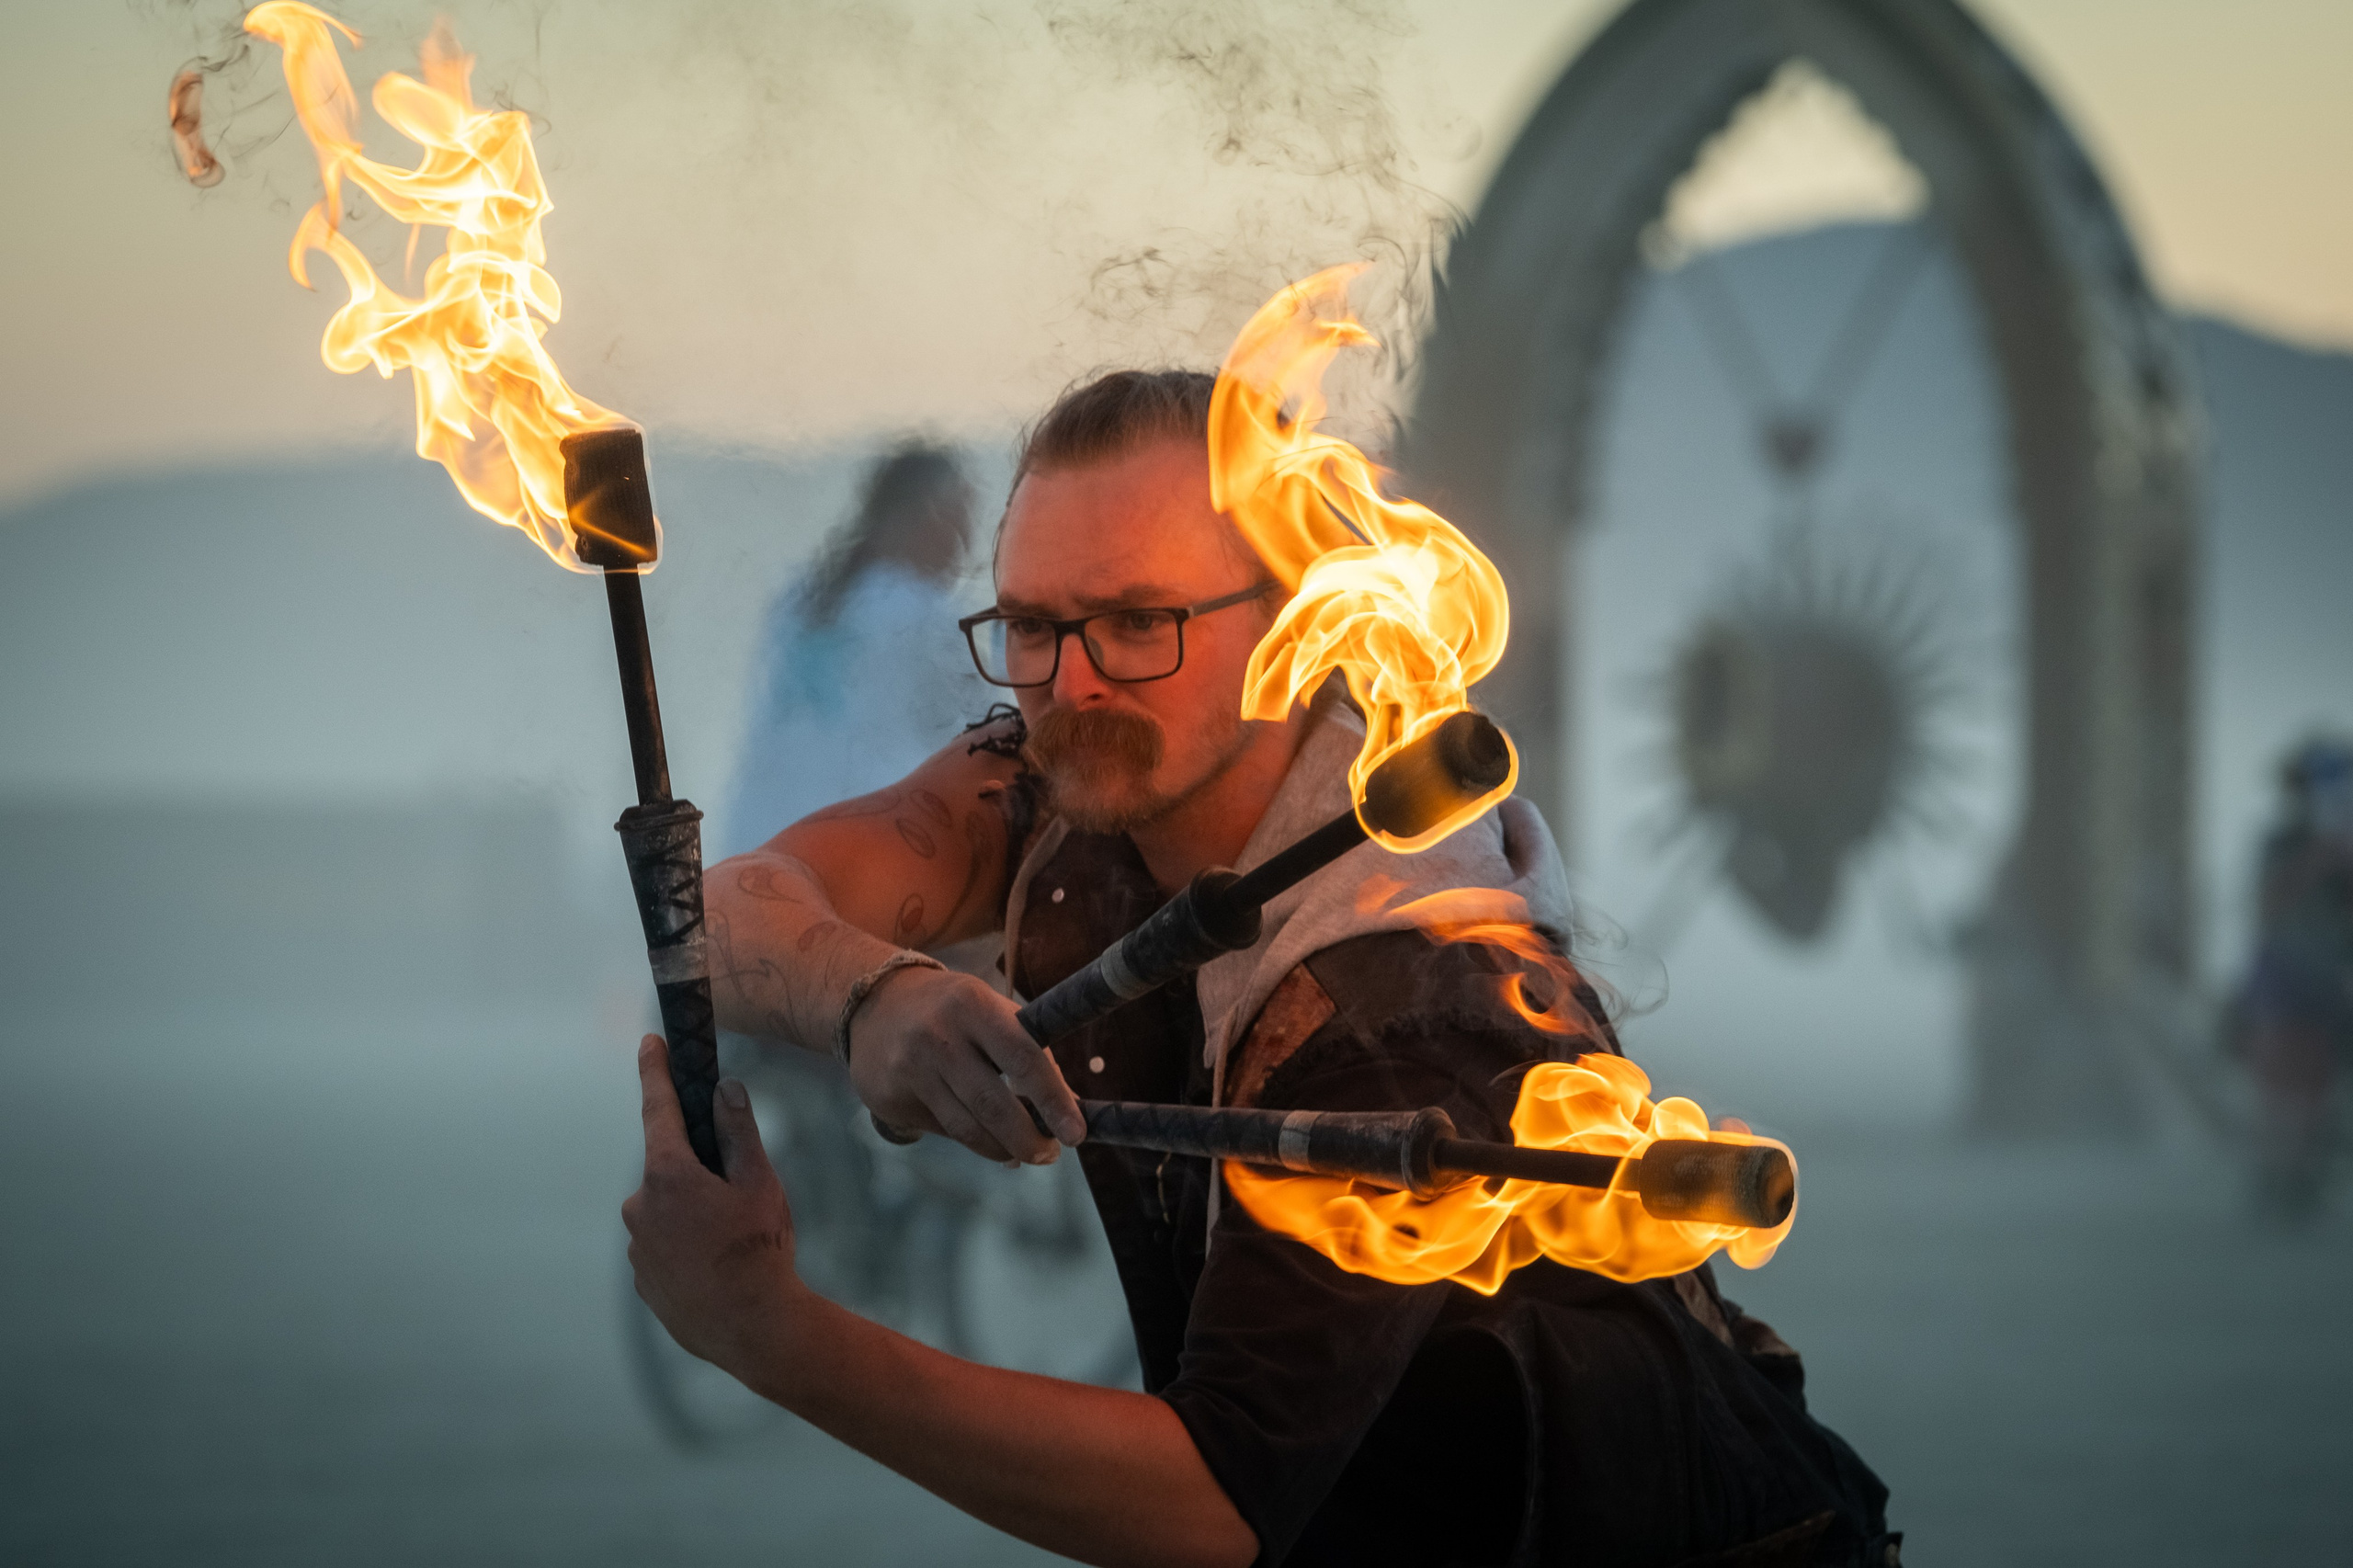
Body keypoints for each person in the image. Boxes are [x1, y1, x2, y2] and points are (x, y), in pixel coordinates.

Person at [624, 370, 1896, 1567]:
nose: (1070, 681)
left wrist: (775, 1335)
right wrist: (871, 996)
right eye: (1030, 625)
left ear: (1299, 622)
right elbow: (720, 912)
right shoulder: (1084, 772)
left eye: (1139, 621)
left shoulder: (1405, 990)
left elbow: (1214, 1500)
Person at [722, 440, 983, 857]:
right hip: (864, 848)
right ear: (928, 515)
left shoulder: (800, 600)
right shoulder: (922, 615)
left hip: (757, 840)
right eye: (961, 512)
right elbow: (981, 742)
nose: (967, 538)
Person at [2227, 735, 2353, 1217]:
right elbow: (2265, 905)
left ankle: (2300, 1171)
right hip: (2285, 971)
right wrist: (2316, 860)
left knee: (2316, 1081)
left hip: (2328, 976)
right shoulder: (2282, 843)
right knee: (2281, 1080)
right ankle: (2278, 1172)